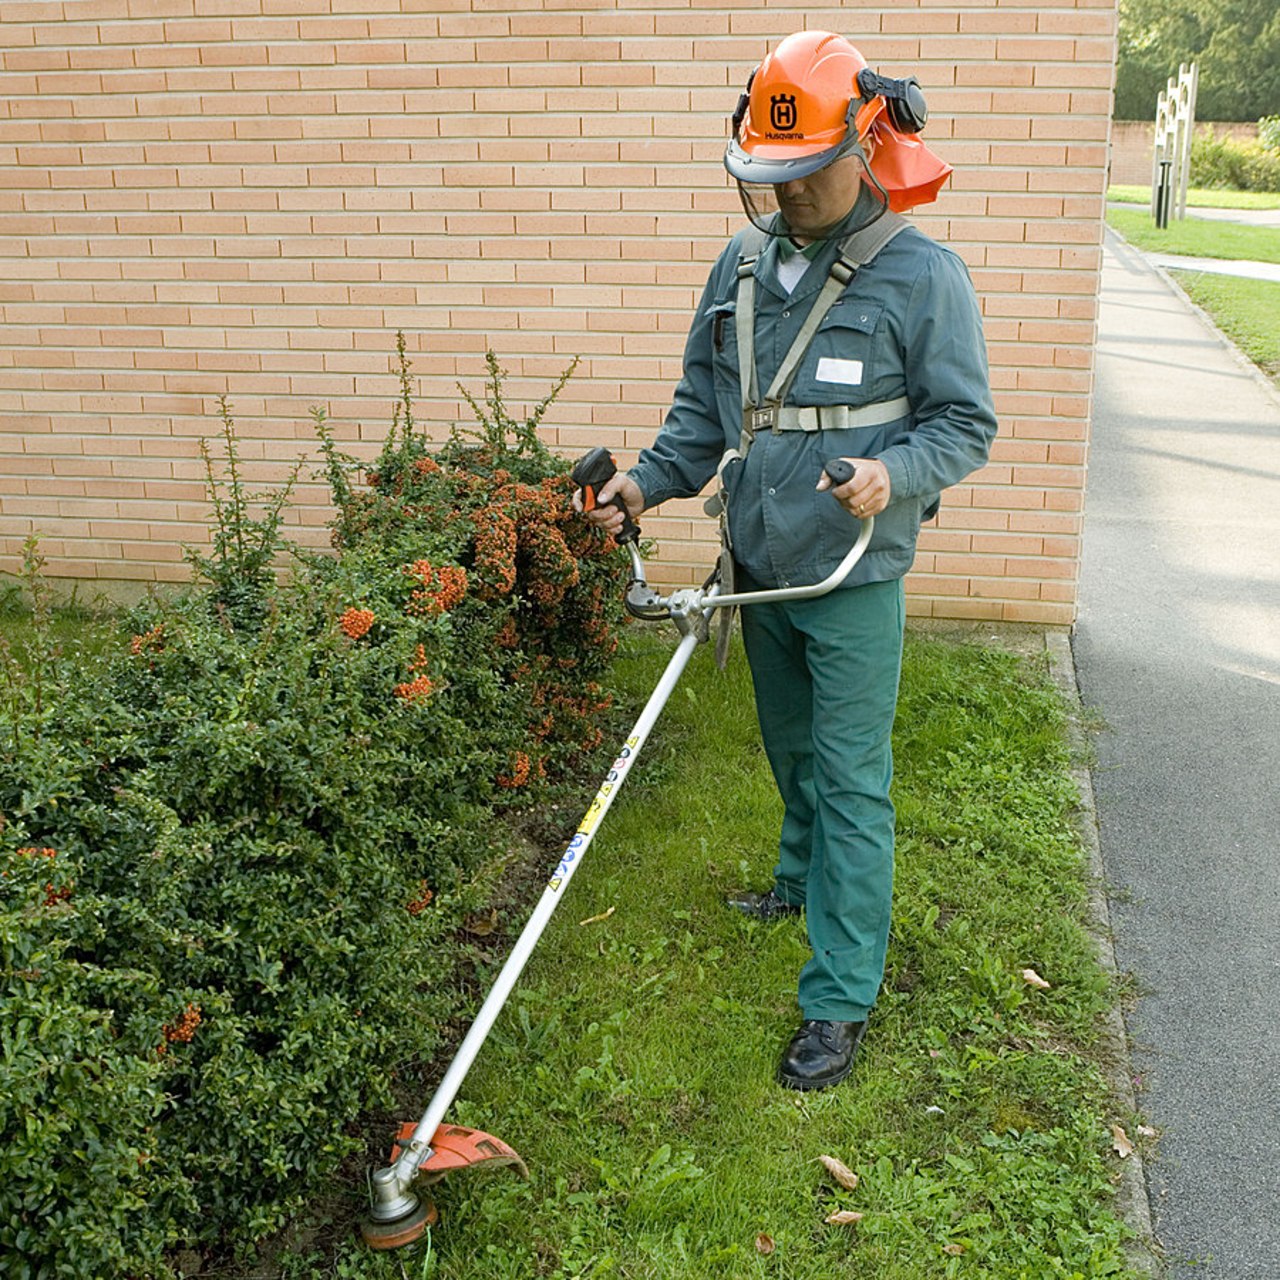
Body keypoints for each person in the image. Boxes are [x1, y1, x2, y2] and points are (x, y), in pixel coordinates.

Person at [577, 30, 998, 1090]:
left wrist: (890, 474)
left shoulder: (920, 274)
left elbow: (964, 424)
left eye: (803, 174)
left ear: (860, 145)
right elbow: (705, 410)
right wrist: (643, 482)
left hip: (849, 575)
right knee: (790, 746)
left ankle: (838, 995)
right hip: (757, 565)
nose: (786, 196)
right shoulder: (740, 266)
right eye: (766, 178)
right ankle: (794, 877)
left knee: (852, 779)